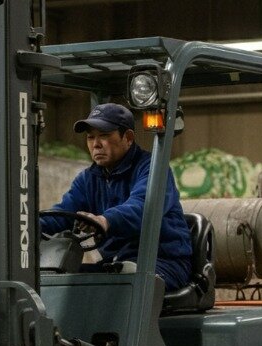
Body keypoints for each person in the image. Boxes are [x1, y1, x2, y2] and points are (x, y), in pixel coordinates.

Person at [40, 103, 192, 292]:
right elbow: (62, 214)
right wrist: (25, 226)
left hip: (163, 263)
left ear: (127, 138)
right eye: (90, 137)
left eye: (104, 135)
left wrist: (105, 220)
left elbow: (142, 207)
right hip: (116, 264)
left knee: (122, 283)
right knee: (59, 281)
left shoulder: (152, 169)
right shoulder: (89, 179)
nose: (96, 144)